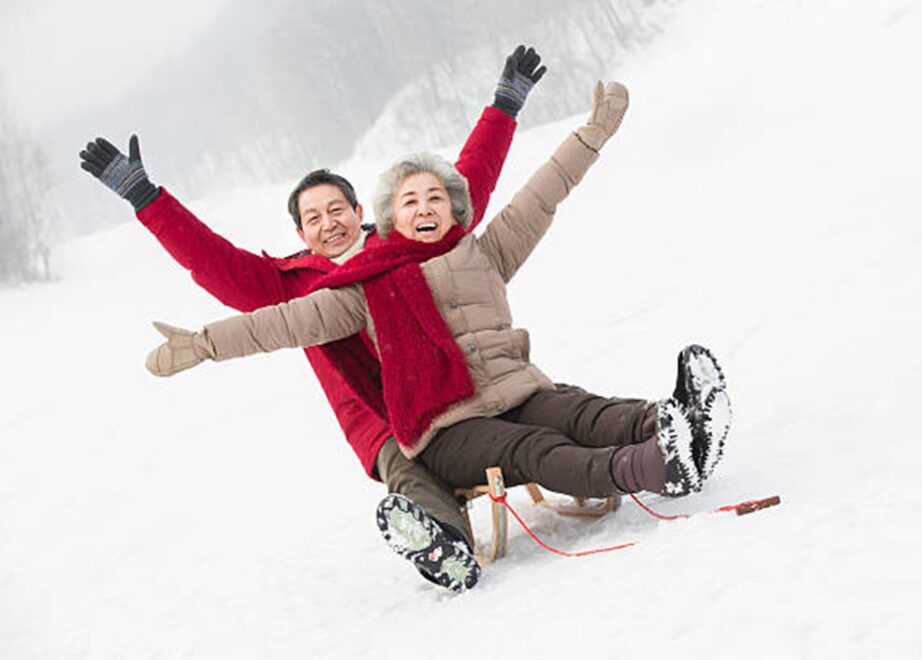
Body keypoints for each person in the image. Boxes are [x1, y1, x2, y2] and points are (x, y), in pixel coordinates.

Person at [146, 80, 733, 589]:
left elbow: (534, 194)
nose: (424, 208)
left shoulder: (471, 248)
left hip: (504, 392)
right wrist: (202, 342)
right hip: (427, 423)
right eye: (409, 201)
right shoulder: (345, 288)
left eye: (434, 200)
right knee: (507, 455)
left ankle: (681, 424)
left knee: (574, 410)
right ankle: (631, 473)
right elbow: (276, 319)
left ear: (367, 214)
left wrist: (575, 131)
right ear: (387, 217)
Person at [80, 46, 550, 592]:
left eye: (335, 211)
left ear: (359, 213)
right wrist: (146, 198)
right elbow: (214, 262)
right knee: (406, 469)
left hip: (451, 385)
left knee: (533, 404)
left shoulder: (403, 243)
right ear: (301, 235)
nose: (327, 224)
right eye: (312, 219)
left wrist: (504, 107)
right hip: (381, 420)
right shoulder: (291, 286)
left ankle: (608, 446)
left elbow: (465, 185)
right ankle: (442, 544)